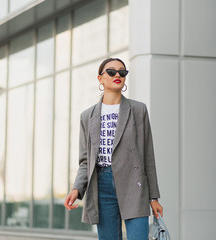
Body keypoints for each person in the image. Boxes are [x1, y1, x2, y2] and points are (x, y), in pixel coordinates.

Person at [64, 58, 163, 240]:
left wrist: (153, 197)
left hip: (133, 183)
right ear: (100, 78)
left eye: (122, 72)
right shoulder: (87, 116)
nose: (117, 75)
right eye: (111, 72)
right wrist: (76, 188)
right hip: (101, 184)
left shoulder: (138, 110)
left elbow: (148, 155)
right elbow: (86, 160)